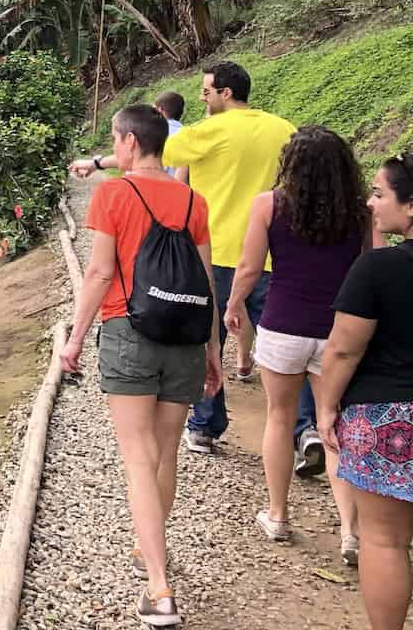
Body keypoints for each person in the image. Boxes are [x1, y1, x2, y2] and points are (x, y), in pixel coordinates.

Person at [68, 64, 302, 457]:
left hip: (221, 248)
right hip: (270, 254)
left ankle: (207, 425)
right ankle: (304, 427)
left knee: (207, 335)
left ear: (226, 94)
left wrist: (96, 162)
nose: (202, 97)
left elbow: (150, 152)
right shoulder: (284, 128)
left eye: (207, 91)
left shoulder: (210, 132)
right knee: (283, 342)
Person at [61, 104, 220, 628]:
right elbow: (205, 282)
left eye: (115, 139)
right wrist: (213, 351)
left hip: (129, 331)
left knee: (136, 457)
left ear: (129, 143)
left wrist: (75, 339)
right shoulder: (193, 200)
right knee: (165, 453)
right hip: (184, 339)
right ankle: (151, 548)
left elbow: (100, 272)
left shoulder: (113, 193)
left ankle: (158, 586)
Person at [223, 126, 374, 562]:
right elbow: (370, 267)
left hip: (283, 324)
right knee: (334, 425)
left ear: (290, 164)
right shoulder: (361, 213)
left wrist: (233, 305)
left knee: (279, 415)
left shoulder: (269, 205)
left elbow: (250, 267)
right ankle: (351, 531)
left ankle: (278, 514)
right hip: (339, 331)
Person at [318, 152, 413, 630]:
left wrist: (326, 406)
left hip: (388, 421)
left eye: (379, 194)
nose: (371, 204)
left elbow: (342, 351)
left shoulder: (378, 269)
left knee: (384, 540)